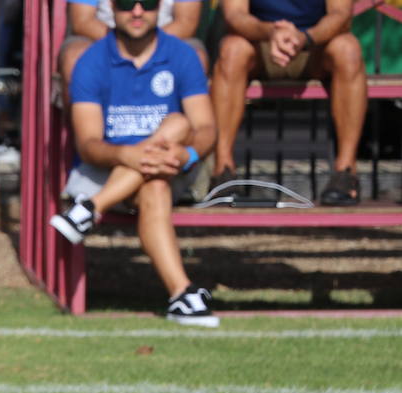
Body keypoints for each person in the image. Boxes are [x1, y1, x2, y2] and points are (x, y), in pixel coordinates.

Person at [49, 0, 220, 328]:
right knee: (157, 178)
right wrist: (126, 155)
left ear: (161, 8)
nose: (138, 11)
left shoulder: (182, 55)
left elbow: (207, 128)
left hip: (172, 167)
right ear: (111, 8)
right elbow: (88, 145)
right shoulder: (90, 61)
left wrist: (188, 155)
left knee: (179, 126)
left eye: (149, 3)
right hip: (104, 170)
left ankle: (88, 210)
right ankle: (182, 294)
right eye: (127, 3)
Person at [210, 0, 365, 204]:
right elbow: (235, 16)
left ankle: (345, 173)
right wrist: (271, 32)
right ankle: (223, 172)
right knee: (232, 49)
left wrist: (305, 37)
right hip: (260, 42)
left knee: (348, 49)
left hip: (315, 44)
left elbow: (341, 15)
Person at [59, 0, 206, 87]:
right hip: (102, 37)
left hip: (165, 37)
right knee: (74, 56)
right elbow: (82, 21)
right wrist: (125, 43)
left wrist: (146, 45)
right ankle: (84, 136)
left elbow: (186, 23)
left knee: (197, 56)